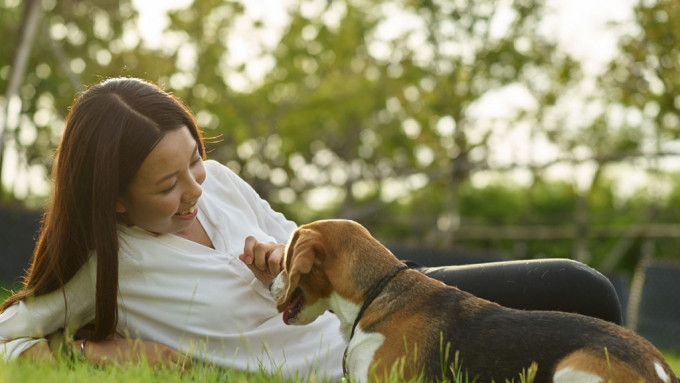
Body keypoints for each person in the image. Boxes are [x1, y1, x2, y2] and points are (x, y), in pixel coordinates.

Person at [0, 77, 622, 379]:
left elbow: (305, 238)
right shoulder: (104, 265)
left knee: (582, 289)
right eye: (168, 186)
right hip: (351, 363)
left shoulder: (218, 184)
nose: (196, 187)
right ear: (113, 200)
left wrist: (282, 252)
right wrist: (96, 349)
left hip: (379, 309)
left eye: (194, 159)